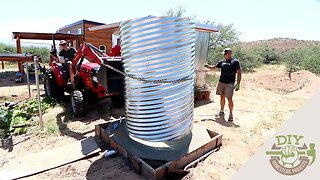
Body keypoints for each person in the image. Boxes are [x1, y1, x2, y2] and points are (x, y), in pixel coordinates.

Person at [205, 48, 241, 121]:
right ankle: (222, 111)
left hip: (230, 83)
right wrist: (208, 66)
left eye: (225, 54)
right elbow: (214, 67)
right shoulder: (222, 62)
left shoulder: (235, 62)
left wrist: (238, 83)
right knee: (222, 97)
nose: (224, 55)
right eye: (224, 54)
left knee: (229, 98)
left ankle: (231, 114)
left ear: (229, 54)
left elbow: (239, 72)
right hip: (221, 82)